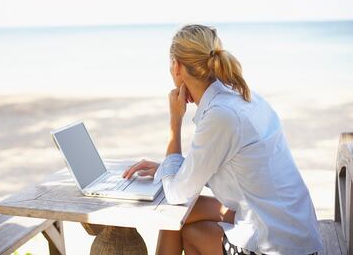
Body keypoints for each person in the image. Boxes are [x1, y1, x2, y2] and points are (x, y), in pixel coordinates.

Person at [122, 24, 324, 255]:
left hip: (281, 246)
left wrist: (175, 122)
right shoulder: (239, 95)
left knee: (180, 223)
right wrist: (172, 168)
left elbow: (176, 194)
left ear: (176, 66)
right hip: (292, 227)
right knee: (181, 217)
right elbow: (232, 166)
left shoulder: (221, 115)